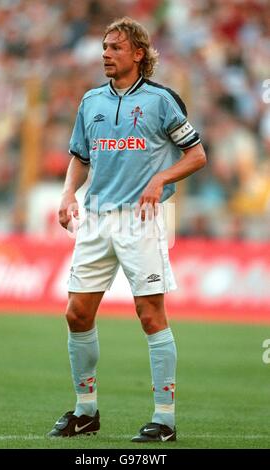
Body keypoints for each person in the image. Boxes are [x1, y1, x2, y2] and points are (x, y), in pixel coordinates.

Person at [47, 17, 206, 443]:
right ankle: (85, 411)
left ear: (138, 54)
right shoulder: (91, 101)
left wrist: (159, 180)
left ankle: (165, 419)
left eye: (115, 48)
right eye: (104, 47)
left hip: (141, 221)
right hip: (95, 220)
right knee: (76, 314)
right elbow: (81, 156)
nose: (105, 54)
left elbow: (196, 155)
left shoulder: (161, 101)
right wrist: (67, 195)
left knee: (150, 316)